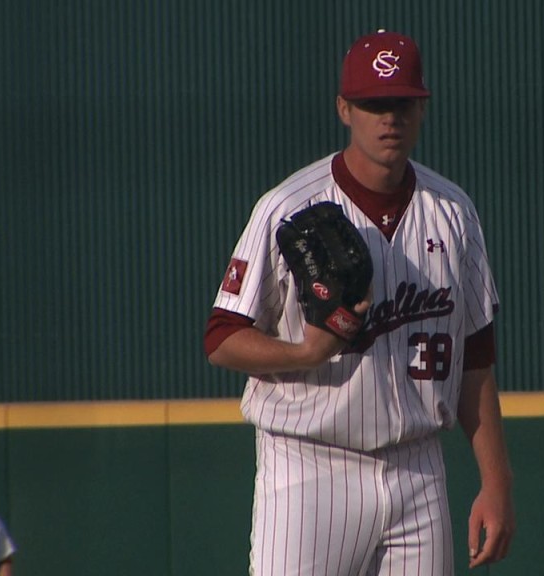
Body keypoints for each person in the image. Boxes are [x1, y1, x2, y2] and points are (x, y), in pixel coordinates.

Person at [204, 29, 515, 575]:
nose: (389, 117)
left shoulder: (453, 211)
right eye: (374, 103)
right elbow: (221, 338)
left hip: (418, 466)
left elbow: (477, 356)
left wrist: (496, 483)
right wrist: (304, 353)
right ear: (344, 108)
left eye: (401, 103)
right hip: (309, 464)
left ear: (422, 109)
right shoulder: (288, 207)